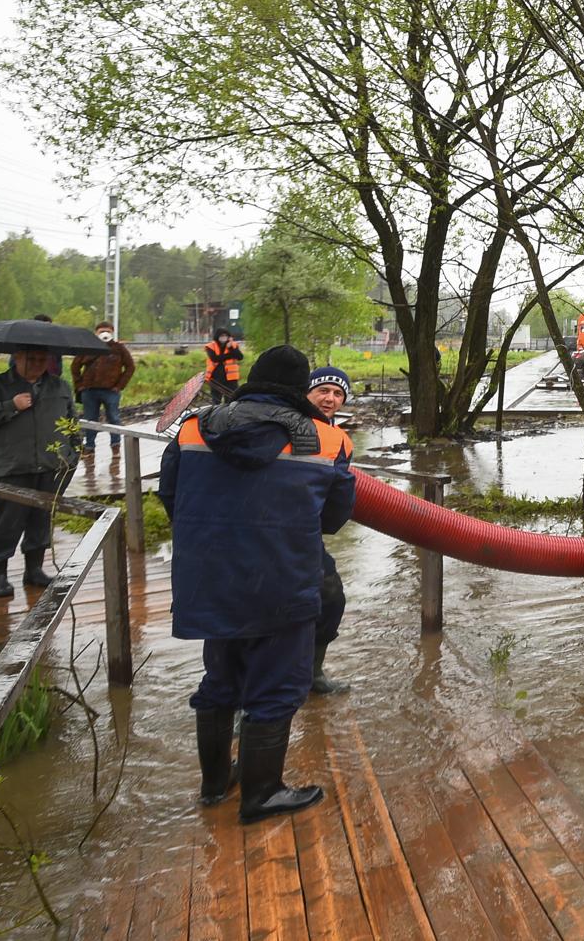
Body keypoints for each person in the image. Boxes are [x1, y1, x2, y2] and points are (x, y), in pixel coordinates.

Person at [161, 345, 354, 823]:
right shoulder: (329, 443)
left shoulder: (192, 429)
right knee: (276, 686)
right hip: (282, 584)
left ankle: (213, 784)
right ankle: (261, 792)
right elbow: (333, 519)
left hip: (209, 581)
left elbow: (169, 495)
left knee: (220, 679)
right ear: (301, 388)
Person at [0, 346, 78, 598]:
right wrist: (10, 405)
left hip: (51, 466)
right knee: (5, 522)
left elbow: (72, 425)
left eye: (41, 359)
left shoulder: (60, 387)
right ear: (17, 358)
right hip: (10, 467)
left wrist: (72, 458)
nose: (36, 364)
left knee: (41, 520)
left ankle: (34, 570)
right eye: (30, 359)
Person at [304, 365, 354, 696]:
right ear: (307, 393)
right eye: (323, 390)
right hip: (266, 532)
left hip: (305, 534)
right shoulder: (291, 425)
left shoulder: (339, 437)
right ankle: (239, 702)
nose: (330, 398)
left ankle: (312, 674)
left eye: (338, 394)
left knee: (331, 599)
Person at [71, 321, 135, 470]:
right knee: (90, 420)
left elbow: (130, 367)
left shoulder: (119, 348)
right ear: (96, 333)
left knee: (113, 418)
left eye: (107, 331)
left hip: (110, 391)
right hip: (89, 391)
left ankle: (115, 446)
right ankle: (89, 448)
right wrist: (79, 385)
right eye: (101, 331)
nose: (104, 333)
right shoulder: (88, 348)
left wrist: (119, 385)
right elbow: (75, 366)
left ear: (112, 332)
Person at [203, 328, 244, 404]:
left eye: (225, 336)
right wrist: (230, 355)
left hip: (231, 377)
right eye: (222, 336)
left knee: (231, 399)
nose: (224, 337)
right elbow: (215, 358)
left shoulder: (233, 345)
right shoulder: (211, 346)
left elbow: (240, 357)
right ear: (217, 336)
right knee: (216, 400)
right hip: (215, 377)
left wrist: (231, 348)